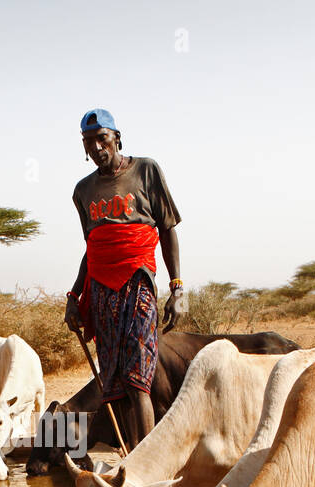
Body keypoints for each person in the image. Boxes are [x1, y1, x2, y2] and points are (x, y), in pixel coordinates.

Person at [65, 107, 186, 448]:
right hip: (101, 291)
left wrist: (177, 288)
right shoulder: (83, 191)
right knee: (114, 385)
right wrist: (74, 298)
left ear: (117, 138)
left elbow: (167, 229)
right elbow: (93, 249)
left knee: (138, 382)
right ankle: (130, 458)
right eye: (88, 142)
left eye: (102, 139)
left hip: (137, 283)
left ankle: (146, 461)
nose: (96, 148)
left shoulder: (146, 170)